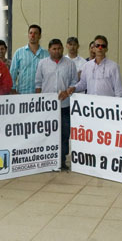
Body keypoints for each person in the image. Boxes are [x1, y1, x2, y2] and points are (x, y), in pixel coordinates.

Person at [35, 39, 78, 171]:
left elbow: (74, 82)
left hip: (64, 106)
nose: (57, 51)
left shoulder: (70, 64)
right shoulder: (42, 64)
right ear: (49, 50)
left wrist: (67, 91)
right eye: (54, 49)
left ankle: (62, 160)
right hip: (48, 107)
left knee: (64, 134)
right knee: (48, 133)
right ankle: (48, 160)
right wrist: (40, 100)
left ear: (62, 49)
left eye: (59, 48)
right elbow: (38, 84)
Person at [10, 24, 48, 94]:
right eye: (30, 33)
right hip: (23, 93)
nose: (32, 35)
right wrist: (13, 90)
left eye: (35, 33)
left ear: (40, 36)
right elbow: (13, 73)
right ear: (28, 35)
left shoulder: (46, 54)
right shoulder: (19, 52)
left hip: (41, 94)